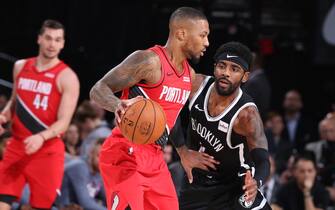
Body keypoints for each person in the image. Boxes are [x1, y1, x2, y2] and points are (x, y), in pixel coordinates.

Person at [90, 7, 213, 210]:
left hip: (155, 157)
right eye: (203, 35)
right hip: (125, 150)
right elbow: (98, 89)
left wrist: (183, 152)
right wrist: (117, 104)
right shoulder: (149, 61)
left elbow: (167, 121)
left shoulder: (188, 76)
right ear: (181, 33)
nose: (207, 42)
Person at [175, 42, 271, 209]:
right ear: (214, 68)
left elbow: (262, 159)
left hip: (236, 186)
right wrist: (182, 152)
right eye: (222, 66)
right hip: (197, 183)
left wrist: (256, 182)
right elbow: (166, 110)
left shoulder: (246, 115)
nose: (226, 73)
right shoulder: (196, 86)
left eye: (234, 69)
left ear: (245, 76)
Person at [0, 19, 80, 209]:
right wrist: (3, 117)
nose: (52, 44)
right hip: (18, 146)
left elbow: (64, 122)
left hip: (47, 151)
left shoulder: (67, 77)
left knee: (40, 206)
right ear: (39, 39)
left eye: (57, 40)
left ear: (63, 43)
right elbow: (14, 102)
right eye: (48, 38)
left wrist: (41, 137)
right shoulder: (20, 66)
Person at [59, 138, 106, 210]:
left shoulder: (98, 172)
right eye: (99, 156)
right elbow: (85, 202)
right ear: (91, 152)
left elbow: (107, 197)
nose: (103, 162)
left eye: (106, 158)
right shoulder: (79, 167)